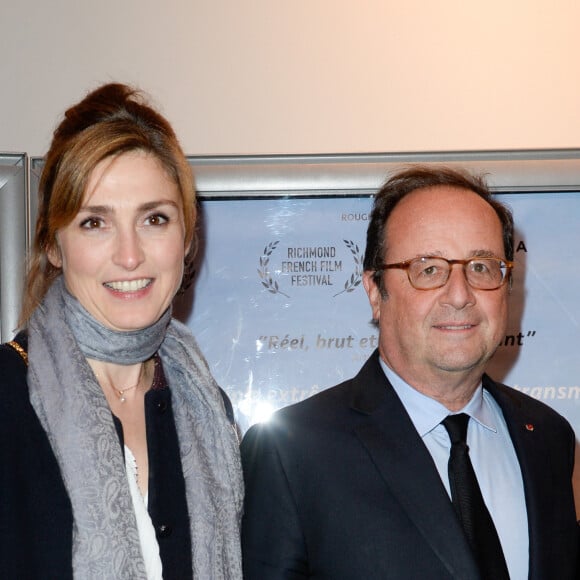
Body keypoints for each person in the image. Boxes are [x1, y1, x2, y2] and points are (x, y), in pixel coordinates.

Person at [240, 165, 579, 579]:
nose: (460, 295)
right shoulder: (291, 454)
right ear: (375, 291)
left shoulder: (548, 437)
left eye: (481, 267)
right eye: (428, 269)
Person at [0, 83, 243, 579]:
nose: (130, 255)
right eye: (95, 223)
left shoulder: (205, 404)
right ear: (53, 244)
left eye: (154, 219)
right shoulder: (5, 397)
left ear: (186, 238)